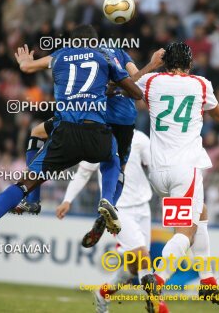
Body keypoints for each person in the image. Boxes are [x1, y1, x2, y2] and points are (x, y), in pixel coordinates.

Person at [0, 25, 142, 244]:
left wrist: (24, 61)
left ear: (72, 42)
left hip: (64, 134)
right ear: (95, 42)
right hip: (96, 131)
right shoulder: (105, 56)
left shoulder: (60, 55)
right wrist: (111, 88)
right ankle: (107, 200)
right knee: (114, 156)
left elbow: (27, 68)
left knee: (23, 183)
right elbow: (137, 92)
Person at [135, 42, 219, 312]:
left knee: (199, 213)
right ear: (190, 63)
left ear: (165, 62)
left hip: (157, 172)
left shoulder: (151, 81)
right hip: (184, 169)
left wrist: (148, 66)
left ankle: (208, 281)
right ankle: (158, 279)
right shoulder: (200, 84)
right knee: (186, 232)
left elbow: (124, 87)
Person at [55, 130, 168, 313]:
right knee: (143, 255)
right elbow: (83, 173)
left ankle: (102, 294)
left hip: (142, 207)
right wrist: (67, 200)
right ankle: (157, 304)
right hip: (117, 209)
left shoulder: (140, 138)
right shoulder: (97, 139)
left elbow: (155, 169)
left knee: (133, 268)